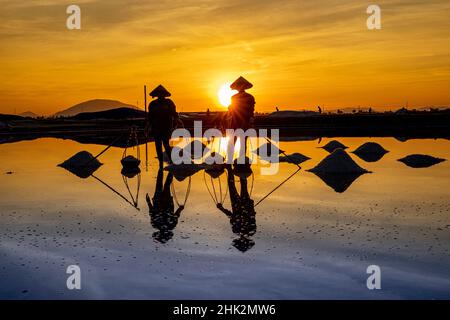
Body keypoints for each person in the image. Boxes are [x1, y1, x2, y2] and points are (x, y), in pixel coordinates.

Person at [216, 164, 256, 252]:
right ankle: (240, 167)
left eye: (240, 240)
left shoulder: (236, 230)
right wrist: (246, 211)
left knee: (232, 186)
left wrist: (222, 209)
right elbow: (251, 216)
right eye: (242, 240)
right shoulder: (251, 230)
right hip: (245, 205)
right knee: (242, 185)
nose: (241, 238)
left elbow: (231, 216)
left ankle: (230, 168)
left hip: (237, 206)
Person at [146, 169, 184, 243]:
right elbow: (151, 212)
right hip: (159, 201)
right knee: (160, 183)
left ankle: (171, 170)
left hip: (165, 202)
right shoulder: (155, 225)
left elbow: (176, 216)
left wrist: (180, 209)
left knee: (166, 185)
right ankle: (164, 168)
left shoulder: (171, 225)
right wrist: (148, 202)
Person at [148, 85, 182, 167]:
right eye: (159, 94)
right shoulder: (153, 104)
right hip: (156, 127)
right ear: (156, 94)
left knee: (166, 144)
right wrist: (147, 127)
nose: (160, 95)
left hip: (166, 126)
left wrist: (178, 120)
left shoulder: (169, 103)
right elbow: (150, 117)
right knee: (158, 145)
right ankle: (160, 163)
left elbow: (174, 113)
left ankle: (171, 161)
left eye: (162, 93)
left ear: (164, 94)